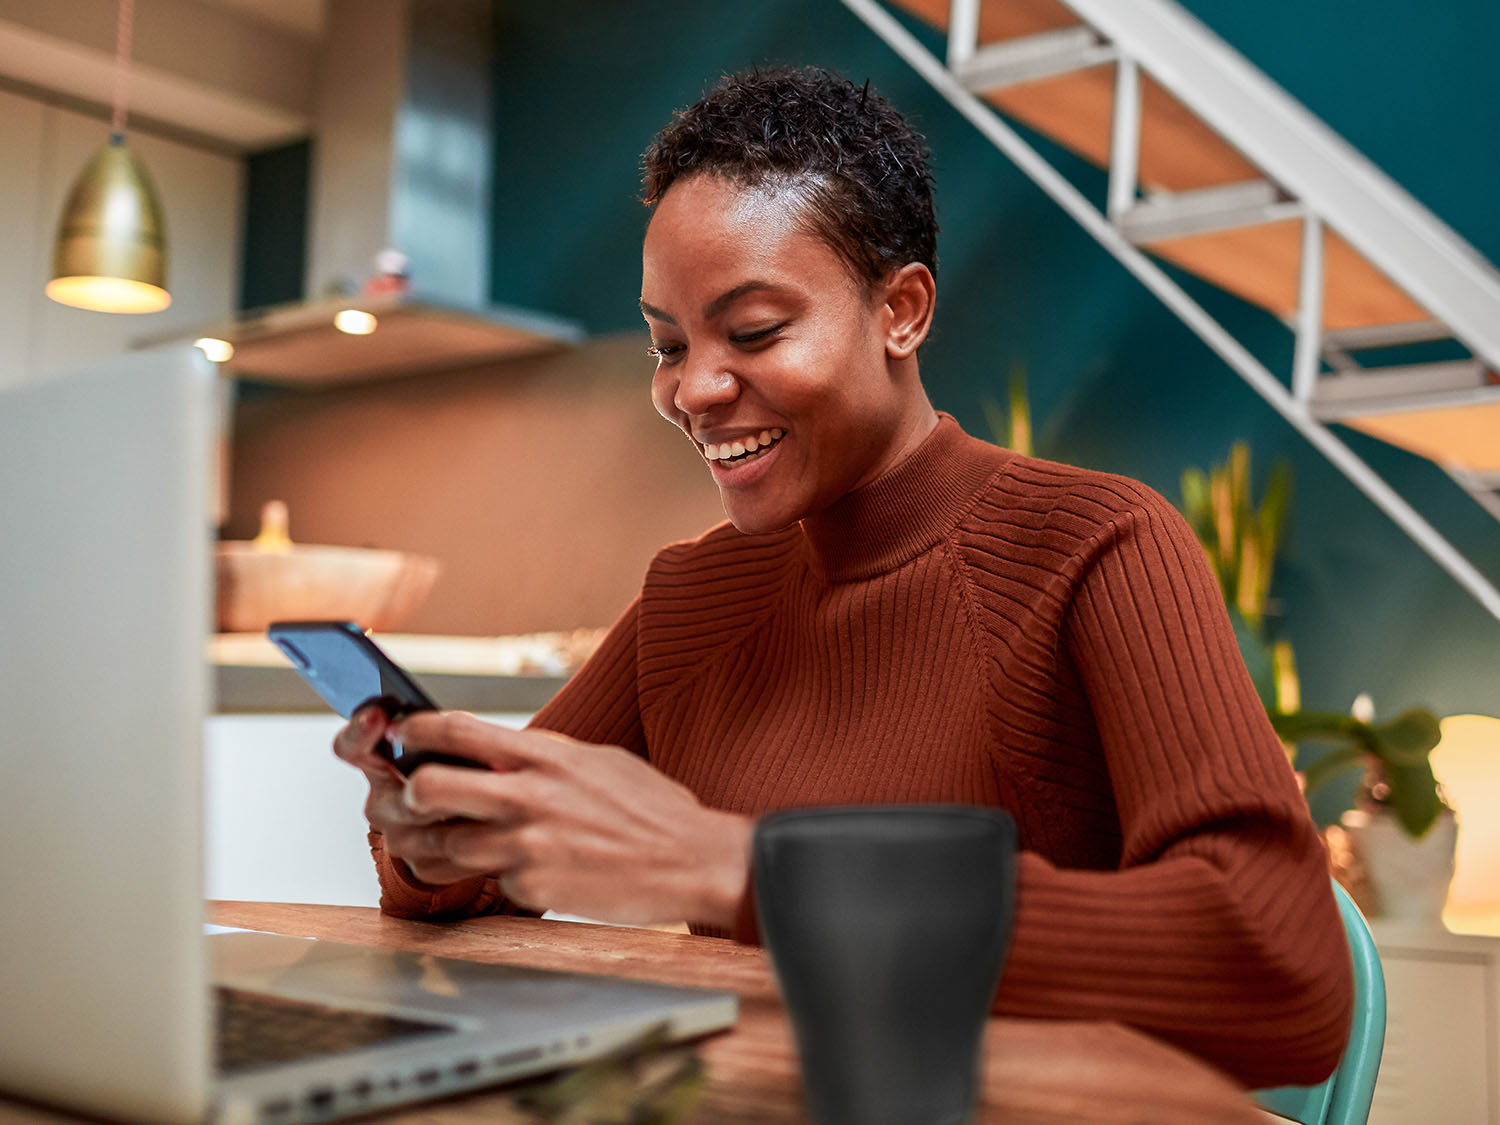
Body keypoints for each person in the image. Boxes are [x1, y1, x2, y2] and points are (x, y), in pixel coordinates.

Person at [333, 66, 1352, 1088]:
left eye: (757, 331)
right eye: (668, 344)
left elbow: (1281, 966)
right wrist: (433, 837)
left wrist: (735, 867)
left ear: (901, 311)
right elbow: (476, 879)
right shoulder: (690, 596)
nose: (694, 389)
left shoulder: (1098, 547)